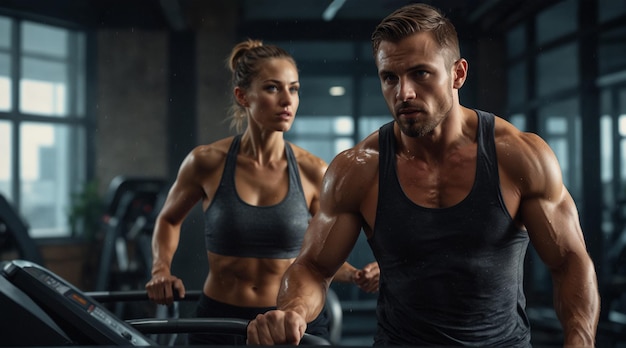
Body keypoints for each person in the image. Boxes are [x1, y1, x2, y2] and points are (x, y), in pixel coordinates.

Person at [246, 3, 600, 347]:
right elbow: (312, 267)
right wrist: (292, 311)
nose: (404, 93)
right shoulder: (358, 169)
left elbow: (569, 260)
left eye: (420, 73)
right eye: (390, 78)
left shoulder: (519, 157)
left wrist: (580, 340)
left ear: (458, 74)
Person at [145, 39, 379, 345]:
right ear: (242, 96)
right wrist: (161, 270)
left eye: (293, 89)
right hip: (220, 320)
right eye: (273, 88)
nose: (287, 100)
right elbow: (168, 220)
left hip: (290, 324)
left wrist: (358, 274)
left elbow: (321, 257)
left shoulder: (313, 171)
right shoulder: (205, 162)